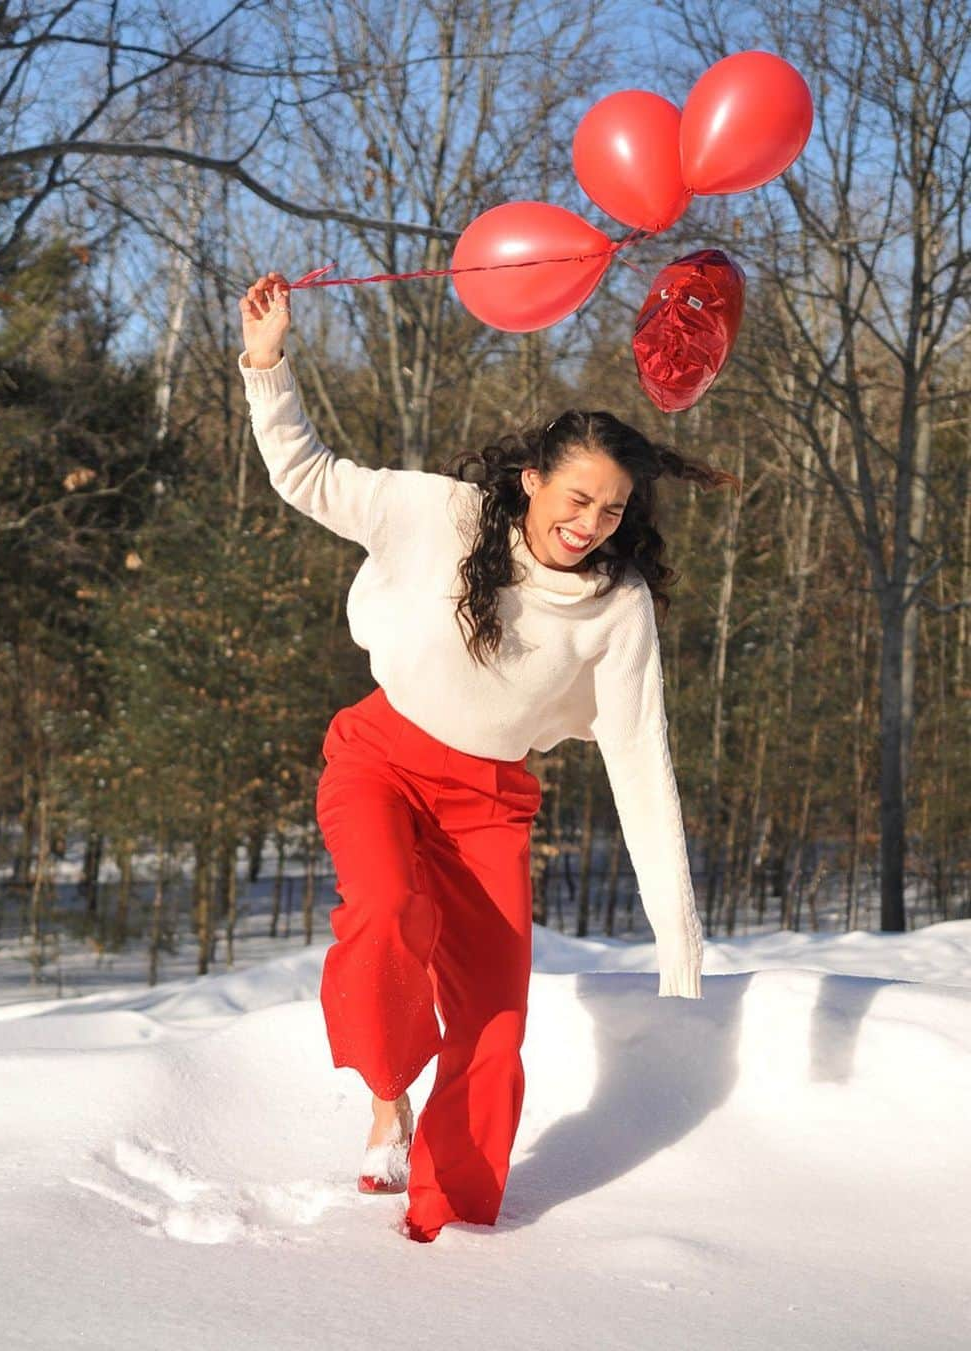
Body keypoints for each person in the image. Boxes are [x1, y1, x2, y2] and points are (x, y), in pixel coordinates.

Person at [237, 270, 736, 1245]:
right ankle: (388, 1092)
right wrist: (267, 361)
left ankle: (452, 1236)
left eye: (612, 511)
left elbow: (640, 759)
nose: (590, 524)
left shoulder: (616, 604)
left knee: (497, 1026)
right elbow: (307, 474)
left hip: (490, 803)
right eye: (579, 498)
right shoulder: (438, 514)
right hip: (381, 758)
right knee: (385, 918)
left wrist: (679, 941)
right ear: (531, 481)